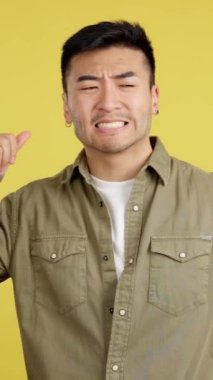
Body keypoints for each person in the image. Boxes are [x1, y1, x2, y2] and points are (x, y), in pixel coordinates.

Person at [0, 21, 213, 380]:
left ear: (154, 98)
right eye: (88, 87)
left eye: (126, 84)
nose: (108, 102)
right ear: (67, 107)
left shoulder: (208, 199)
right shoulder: (25, 210)